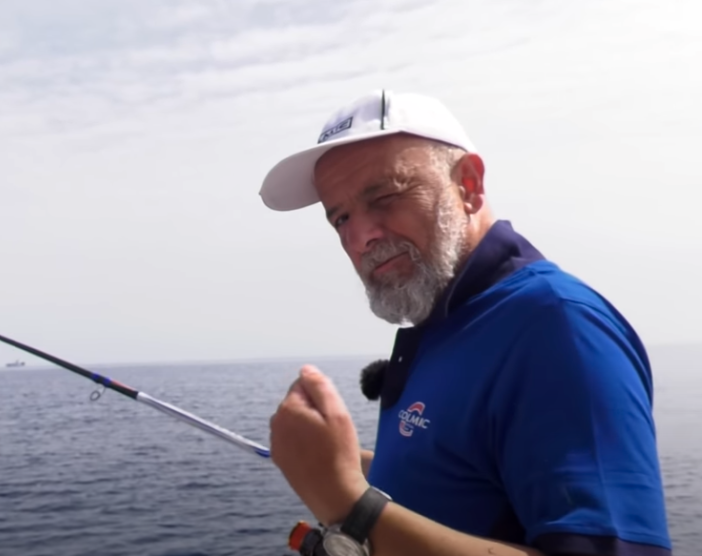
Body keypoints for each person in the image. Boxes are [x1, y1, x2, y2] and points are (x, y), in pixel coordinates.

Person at [260, 90, 672, 556]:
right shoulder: (446, 319)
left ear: (469, 185)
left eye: (387, 196)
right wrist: (336, 466)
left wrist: (345, 501)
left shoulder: (558, 326)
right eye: (340, 218)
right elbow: (459, 479)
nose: (361, 237)